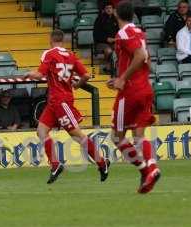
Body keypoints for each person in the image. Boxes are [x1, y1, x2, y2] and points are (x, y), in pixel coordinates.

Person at [24, 29, 110, 184]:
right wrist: (77, 85)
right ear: (62, 40)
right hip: (55, 102)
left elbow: (40, 74)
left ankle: (102, 162)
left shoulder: (49, 54)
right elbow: (85, 75)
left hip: (61, 101)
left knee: (77, 135)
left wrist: (29, 73)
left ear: (51, 39)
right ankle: (55, 165)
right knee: (41, 131)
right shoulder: (71, 55)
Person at [107, 0, 159, 194]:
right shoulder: (139, 32)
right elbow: (147, 59)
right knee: (139, 134)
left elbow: (139, 55)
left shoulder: (122, 33)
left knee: (117, 137)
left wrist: (123, 79)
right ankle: (151, 169)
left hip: (130, 92)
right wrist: (121, 77)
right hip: (145, 88)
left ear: (115, 14)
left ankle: (146, 170)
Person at [93, 2, 119, 73]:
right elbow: (96, 34)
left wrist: (116, 39)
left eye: (110, 8)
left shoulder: (116, 19)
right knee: (109, 51)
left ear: (113, 9)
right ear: (104, 10)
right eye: (107, 8)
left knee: (121, 49)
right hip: (101, 43)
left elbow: (120, 31)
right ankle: (107, 66)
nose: (109, 10)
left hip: (114, 42)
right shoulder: (99, 19)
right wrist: (106, 39)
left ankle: (118, 67)